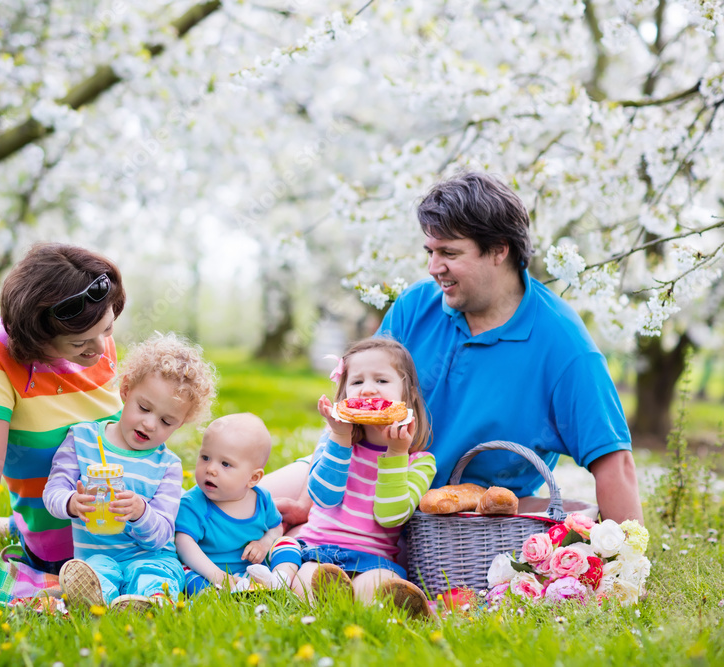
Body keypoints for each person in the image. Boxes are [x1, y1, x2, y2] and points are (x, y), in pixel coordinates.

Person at [263, 171, 642, 527]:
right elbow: (351, 407)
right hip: (363, 476)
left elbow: (613, 461)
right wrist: (307, 501)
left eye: (449, 253)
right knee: (230, 509)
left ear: (498, 250)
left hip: (459, 522)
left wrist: (626, 567)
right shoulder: (415, 306)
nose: (433, 267)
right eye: (429, 251)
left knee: (292, 549)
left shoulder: (564, 345)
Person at [0, 243, 126, 602]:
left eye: (108, 329)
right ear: (37, 338)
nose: (100, 351)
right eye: (81, 344)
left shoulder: (94, 335)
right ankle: (17, 529)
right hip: (72, 555)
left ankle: (12, 526)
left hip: (138, 529)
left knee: (256, 493)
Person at [41, 332, 217, 611]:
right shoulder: (83, 439)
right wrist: (71, 503)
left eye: (167, 421)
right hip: (97, 556)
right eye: (144, 408)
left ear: (180, 424)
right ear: (125, 390)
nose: (149, 424)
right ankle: (100, 600)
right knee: (95, 574)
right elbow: (53, 491)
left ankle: (150, 601)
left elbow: (161, 535)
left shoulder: (167, 466)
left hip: (151, 556)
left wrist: (140, 512)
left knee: (154, 576)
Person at [282, 338, 437, 619]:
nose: (367, 390)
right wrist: (340, 438)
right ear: (344, 395)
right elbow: (323, 497)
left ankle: (391, 609)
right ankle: (329, 601)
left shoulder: (419, 462)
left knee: (374, 588)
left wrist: (396, 453)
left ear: (408, 394)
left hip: (375, 560)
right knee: (308, 580)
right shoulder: (333, 443)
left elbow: (391, 516)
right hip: (320, 551)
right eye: (356, 382)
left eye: (381, 380)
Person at [174, 413, 299, 596]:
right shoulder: (193, 503)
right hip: (211, 572)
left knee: (288, 543)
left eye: (225, 464)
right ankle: (217, 593)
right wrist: (217, 575)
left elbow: (276, 528)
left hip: (254, 571)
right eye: (205, 457)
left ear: (253, 478)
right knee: (185, 573)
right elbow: (184, 544)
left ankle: (278, 582)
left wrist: (264, 544)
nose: (210, 469)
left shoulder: (262, 499)